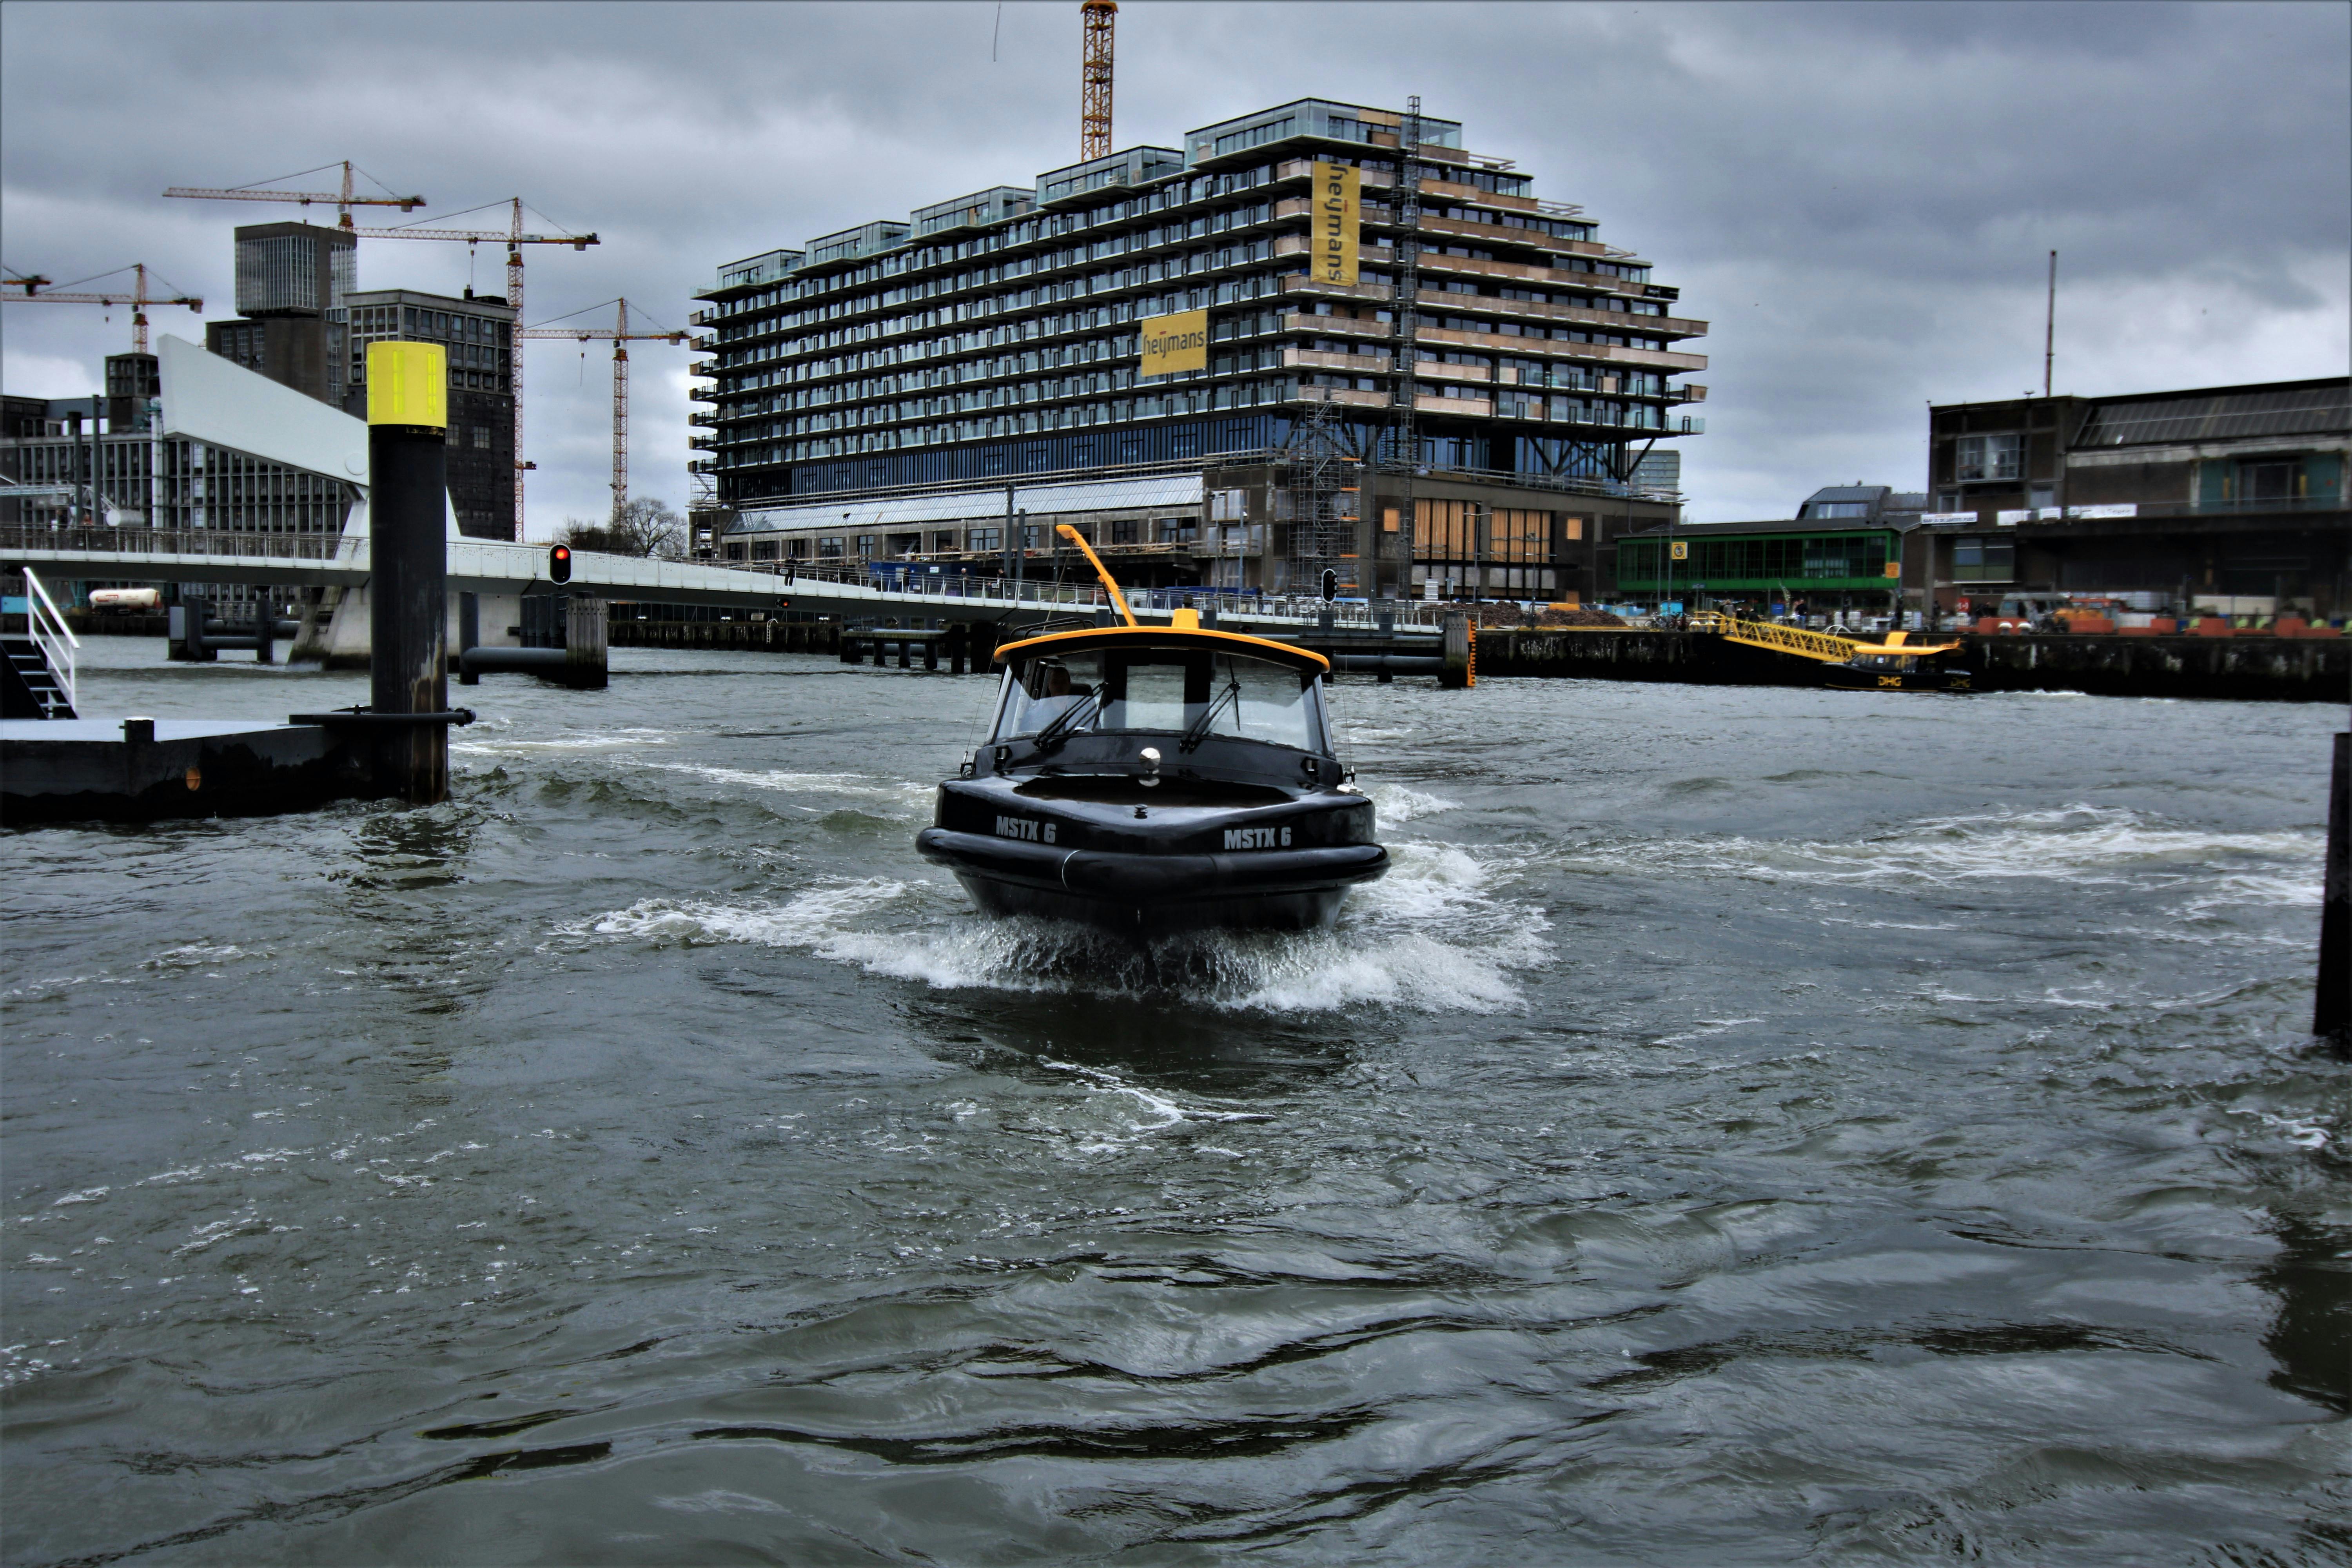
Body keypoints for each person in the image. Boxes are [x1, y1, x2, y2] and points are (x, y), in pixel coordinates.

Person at [1021, 663, 1091, 732]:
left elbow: (1094, 732)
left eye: (1063, 682)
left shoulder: (1086, 711)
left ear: (1069, 685)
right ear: (1049, 686)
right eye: (1055, 683)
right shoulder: (1035, 715)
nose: (1059, 686)